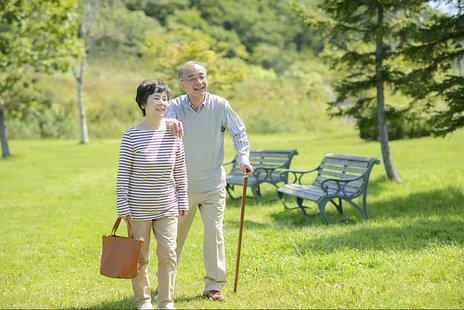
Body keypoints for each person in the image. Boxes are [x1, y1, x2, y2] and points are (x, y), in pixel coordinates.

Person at [165, 61, 253, 302]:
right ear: (182, 84)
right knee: (174, 238)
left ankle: (213, 286)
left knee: (214, 233)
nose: (198, 82)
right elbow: (162, 123)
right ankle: (166, 285)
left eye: (201, 76)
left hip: (213, 183)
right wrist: (167, 123)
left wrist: (243, 158)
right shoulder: (174, 107)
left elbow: (239, 132)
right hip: (181, 188)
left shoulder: (220, 105)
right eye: (191, 78)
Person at [116, 80, 188, 310]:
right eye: (156, 98)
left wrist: (183, 199)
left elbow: (180, 170)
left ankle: (166, 302)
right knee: (140, 258)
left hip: (168, 206)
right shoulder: (131, 136)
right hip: (138, 209)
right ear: (142, 103)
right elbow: (123, 174)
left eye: (165, 98)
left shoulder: (174, 132)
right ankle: (144, 301)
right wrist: (123, 206)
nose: (162, 102)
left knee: (168, 254)